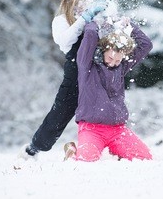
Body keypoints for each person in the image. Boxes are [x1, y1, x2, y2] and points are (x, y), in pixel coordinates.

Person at [18, 0, 107, 159]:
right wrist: (84, 19)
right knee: (61, 112)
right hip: (74, 71)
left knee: (101, 108)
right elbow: (64, 42)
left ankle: (98, 147)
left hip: (94, 69)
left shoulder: (93, 19)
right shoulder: (61, 20)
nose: (83, 3)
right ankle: (33, 149)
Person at [63, 15, 153, 162]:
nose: (113, 63)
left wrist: (129, 25)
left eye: (118, 60)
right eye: (110, 58)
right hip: (91, 128)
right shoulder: (87, 65)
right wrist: (97, 20)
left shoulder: (122, 66)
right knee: (85, 163)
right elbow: (91, 34)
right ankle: (72, 151)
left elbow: (146, 45)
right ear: (103, 50)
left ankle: (118, 150)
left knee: (144, 159)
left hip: (117, 129)